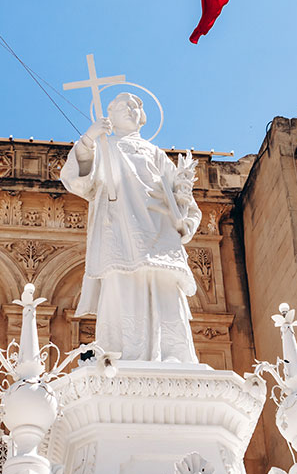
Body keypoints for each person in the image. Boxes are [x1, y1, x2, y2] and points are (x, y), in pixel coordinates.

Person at [60, 92, 202, 363]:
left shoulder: (156, 154)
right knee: (122, 288)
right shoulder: (103, 146)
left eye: (136, 106)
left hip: (159, 232)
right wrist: (88, 139)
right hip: (119, 230)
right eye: (123, 105)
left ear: (142, 118)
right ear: (109, 115)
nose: (130, 109)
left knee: (165, 290)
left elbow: (181, 195)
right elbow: (78, 181)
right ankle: (122, 354)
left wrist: (186, 219)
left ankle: (173, 354)